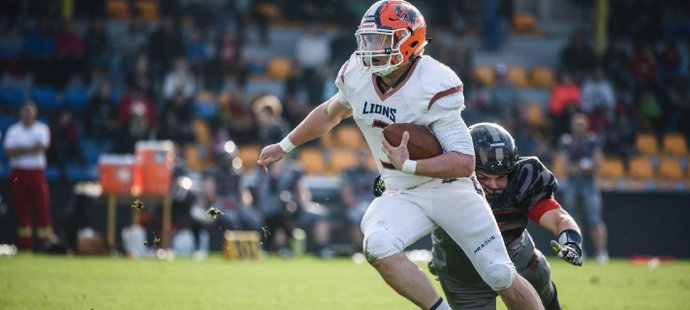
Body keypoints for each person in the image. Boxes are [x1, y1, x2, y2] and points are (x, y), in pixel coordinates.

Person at [257, 1, 544, 309]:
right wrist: (284, 145)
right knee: (378, 245)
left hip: (450, 189)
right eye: (368, 39)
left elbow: (464, 162)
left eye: (381, 39)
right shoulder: (357, 73)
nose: (371, 48)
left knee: (499, 273)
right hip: (402, 191)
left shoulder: (433, 81)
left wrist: (408, 163)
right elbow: (329, 114)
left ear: (409, 41)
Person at [421, 123, 583, 310]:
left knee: (540, 281)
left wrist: (571, 241)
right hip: (463, 270)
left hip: (514, 253)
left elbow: (558, 218)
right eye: (485, 177)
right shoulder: (444, 181)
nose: (494, 185)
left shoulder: (523, 179)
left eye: (501, 177)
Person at [555, 114, 609, 264]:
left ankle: (602, 253)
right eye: (577, 124)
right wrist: (585, 166)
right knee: (573, 220)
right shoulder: (566, 142)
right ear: (572, 126)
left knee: (595, 219)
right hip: (572, 185)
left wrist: (577, 168)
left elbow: (598, 163)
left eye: (582, 124)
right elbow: (564, 166)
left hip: (590, 185)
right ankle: (579, 251)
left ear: (586, 126)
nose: (579, 127)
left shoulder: (593, 141)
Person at [3, 102, 54, 250]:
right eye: (24, 112)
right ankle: (25, 244)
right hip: (18, 173)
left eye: (29, 112)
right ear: (20, 114)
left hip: (36, 172)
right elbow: (9, 152)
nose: (27, 115)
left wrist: (20, 150)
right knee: (21, 207)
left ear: (35, 114)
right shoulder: (14, 130)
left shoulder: (42, 129)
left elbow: (42, 147)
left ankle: (45, 243)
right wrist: (31, 148)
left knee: (41, 207)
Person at [339, 150, 378, 249]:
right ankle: (359, 249)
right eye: (360, 156)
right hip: (355, 206)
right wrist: (358, 205)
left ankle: (374, 248)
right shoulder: (349, 173)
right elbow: (346, 193)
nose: (362, 159)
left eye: (365, 157)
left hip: (372, 206)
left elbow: (379, 194)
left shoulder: (374, 173)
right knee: (355, 217)